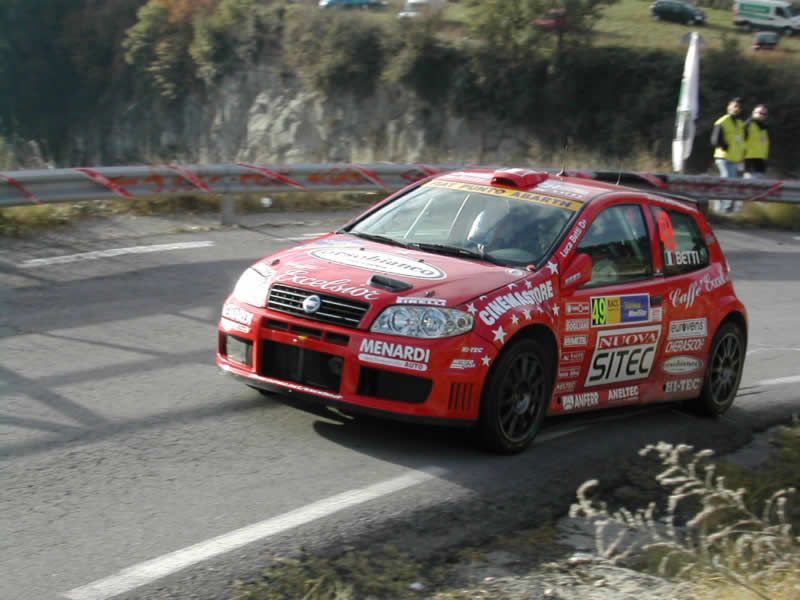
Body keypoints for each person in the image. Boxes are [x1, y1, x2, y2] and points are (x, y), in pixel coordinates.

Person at [710, 97, 746, 212]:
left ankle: (727, 208)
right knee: (727, 181)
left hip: (735, 158)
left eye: (739, 107)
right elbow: (714, 140)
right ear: (729, 107)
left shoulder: (740, 123)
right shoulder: (722, 121)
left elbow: (741, 141)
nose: (736, 109)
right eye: (734, 106)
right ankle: (721, 208)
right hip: (723, 157)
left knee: (731, 183)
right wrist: (725, 146)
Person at [743, 104, 769, 179]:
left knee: (759, 184)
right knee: (749, 183)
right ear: (753, 113)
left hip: (761, 160)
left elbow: (764, 144)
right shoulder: (748, 125)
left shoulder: (763, 128)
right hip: (749, 159)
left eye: (764, 114)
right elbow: (741, 142)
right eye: (760, 113)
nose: (762, 115)